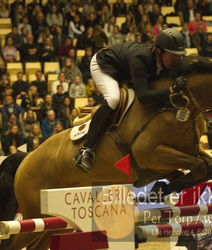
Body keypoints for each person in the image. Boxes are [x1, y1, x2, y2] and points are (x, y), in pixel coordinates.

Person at [74, 28, 187, 172]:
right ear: (159, 52)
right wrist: (171, 90)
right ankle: (86, 150)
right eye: (174, 55)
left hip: (126, 71)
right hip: (104, 65)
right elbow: (144, 97)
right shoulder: (141, 59)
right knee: (114, 99)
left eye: (179, 56)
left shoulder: (166, 60)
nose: (177, 59)